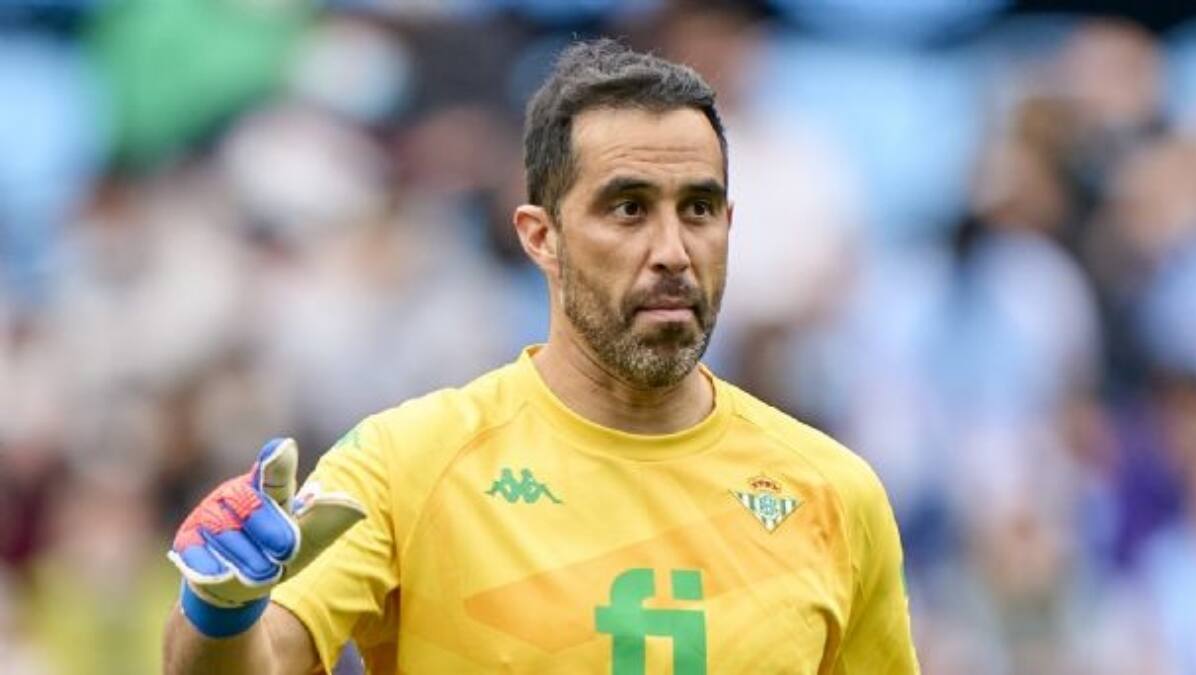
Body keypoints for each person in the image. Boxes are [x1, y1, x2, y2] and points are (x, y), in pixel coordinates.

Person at [162, 39, 920, 675]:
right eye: (628, 208)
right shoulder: (406, 463)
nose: (672, 250)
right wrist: (222, 611)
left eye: (697, 209)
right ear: (540, 237)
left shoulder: (834, 493)